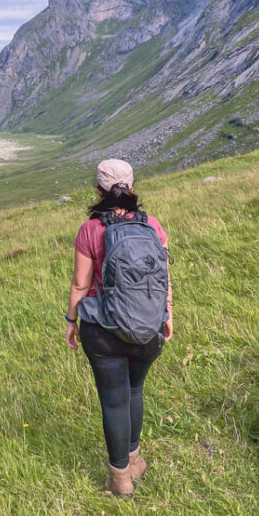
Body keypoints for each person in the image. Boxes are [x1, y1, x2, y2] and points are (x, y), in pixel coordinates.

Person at [66, 158, 173, 498]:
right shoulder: (152, 225)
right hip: (149, 325)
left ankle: (120, 481)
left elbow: (81, 285)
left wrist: (71, 321)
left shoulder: (90, 229)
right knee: (135, 391)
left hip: (103, 329)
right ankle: (134, 459)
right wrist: (167, 314)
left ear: (98, 191)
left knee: (114, 401)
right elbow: (164, 277)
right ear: (132, 187)